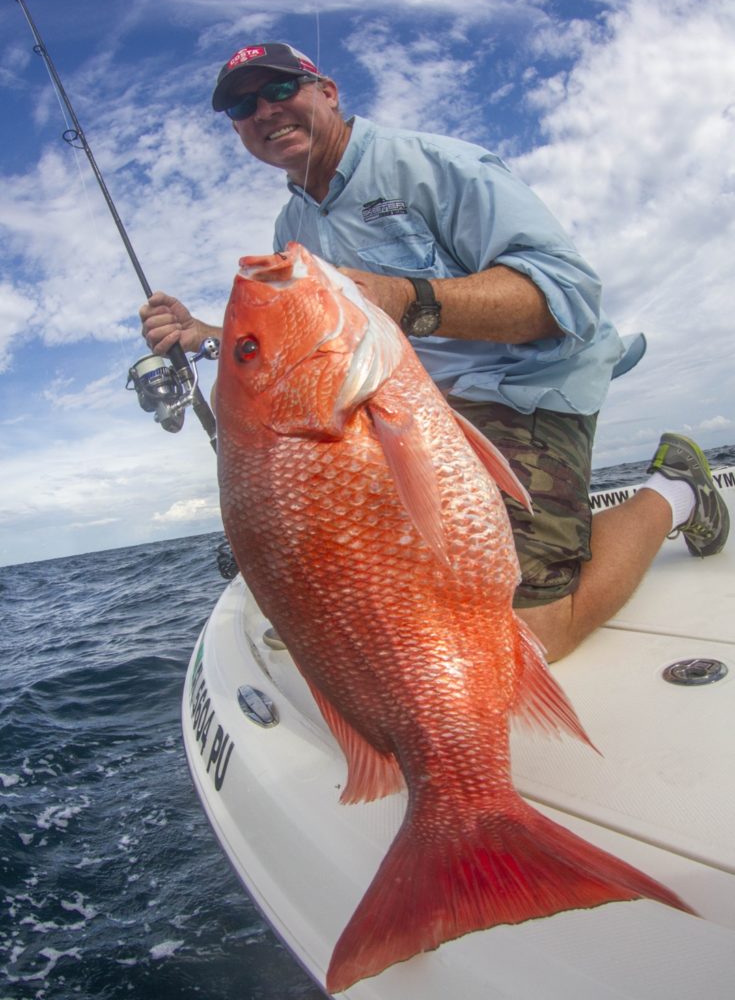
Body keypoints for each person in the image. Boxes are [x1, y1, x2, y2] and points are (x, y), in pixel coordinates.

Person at [140, 42, 729, 662]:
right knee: (357, 600)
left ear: (329, 92)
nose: (263, 109)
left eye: (281, 89)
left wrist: (405, 296)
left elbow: (569, 294)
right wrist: (210, 334)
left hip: (522, 386)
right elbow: (304, 346)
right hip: (411, 413)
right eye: (241, 104)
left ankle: (676, 488)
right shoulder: (291, 229)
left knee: (529, 639)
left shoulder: (435, 165)